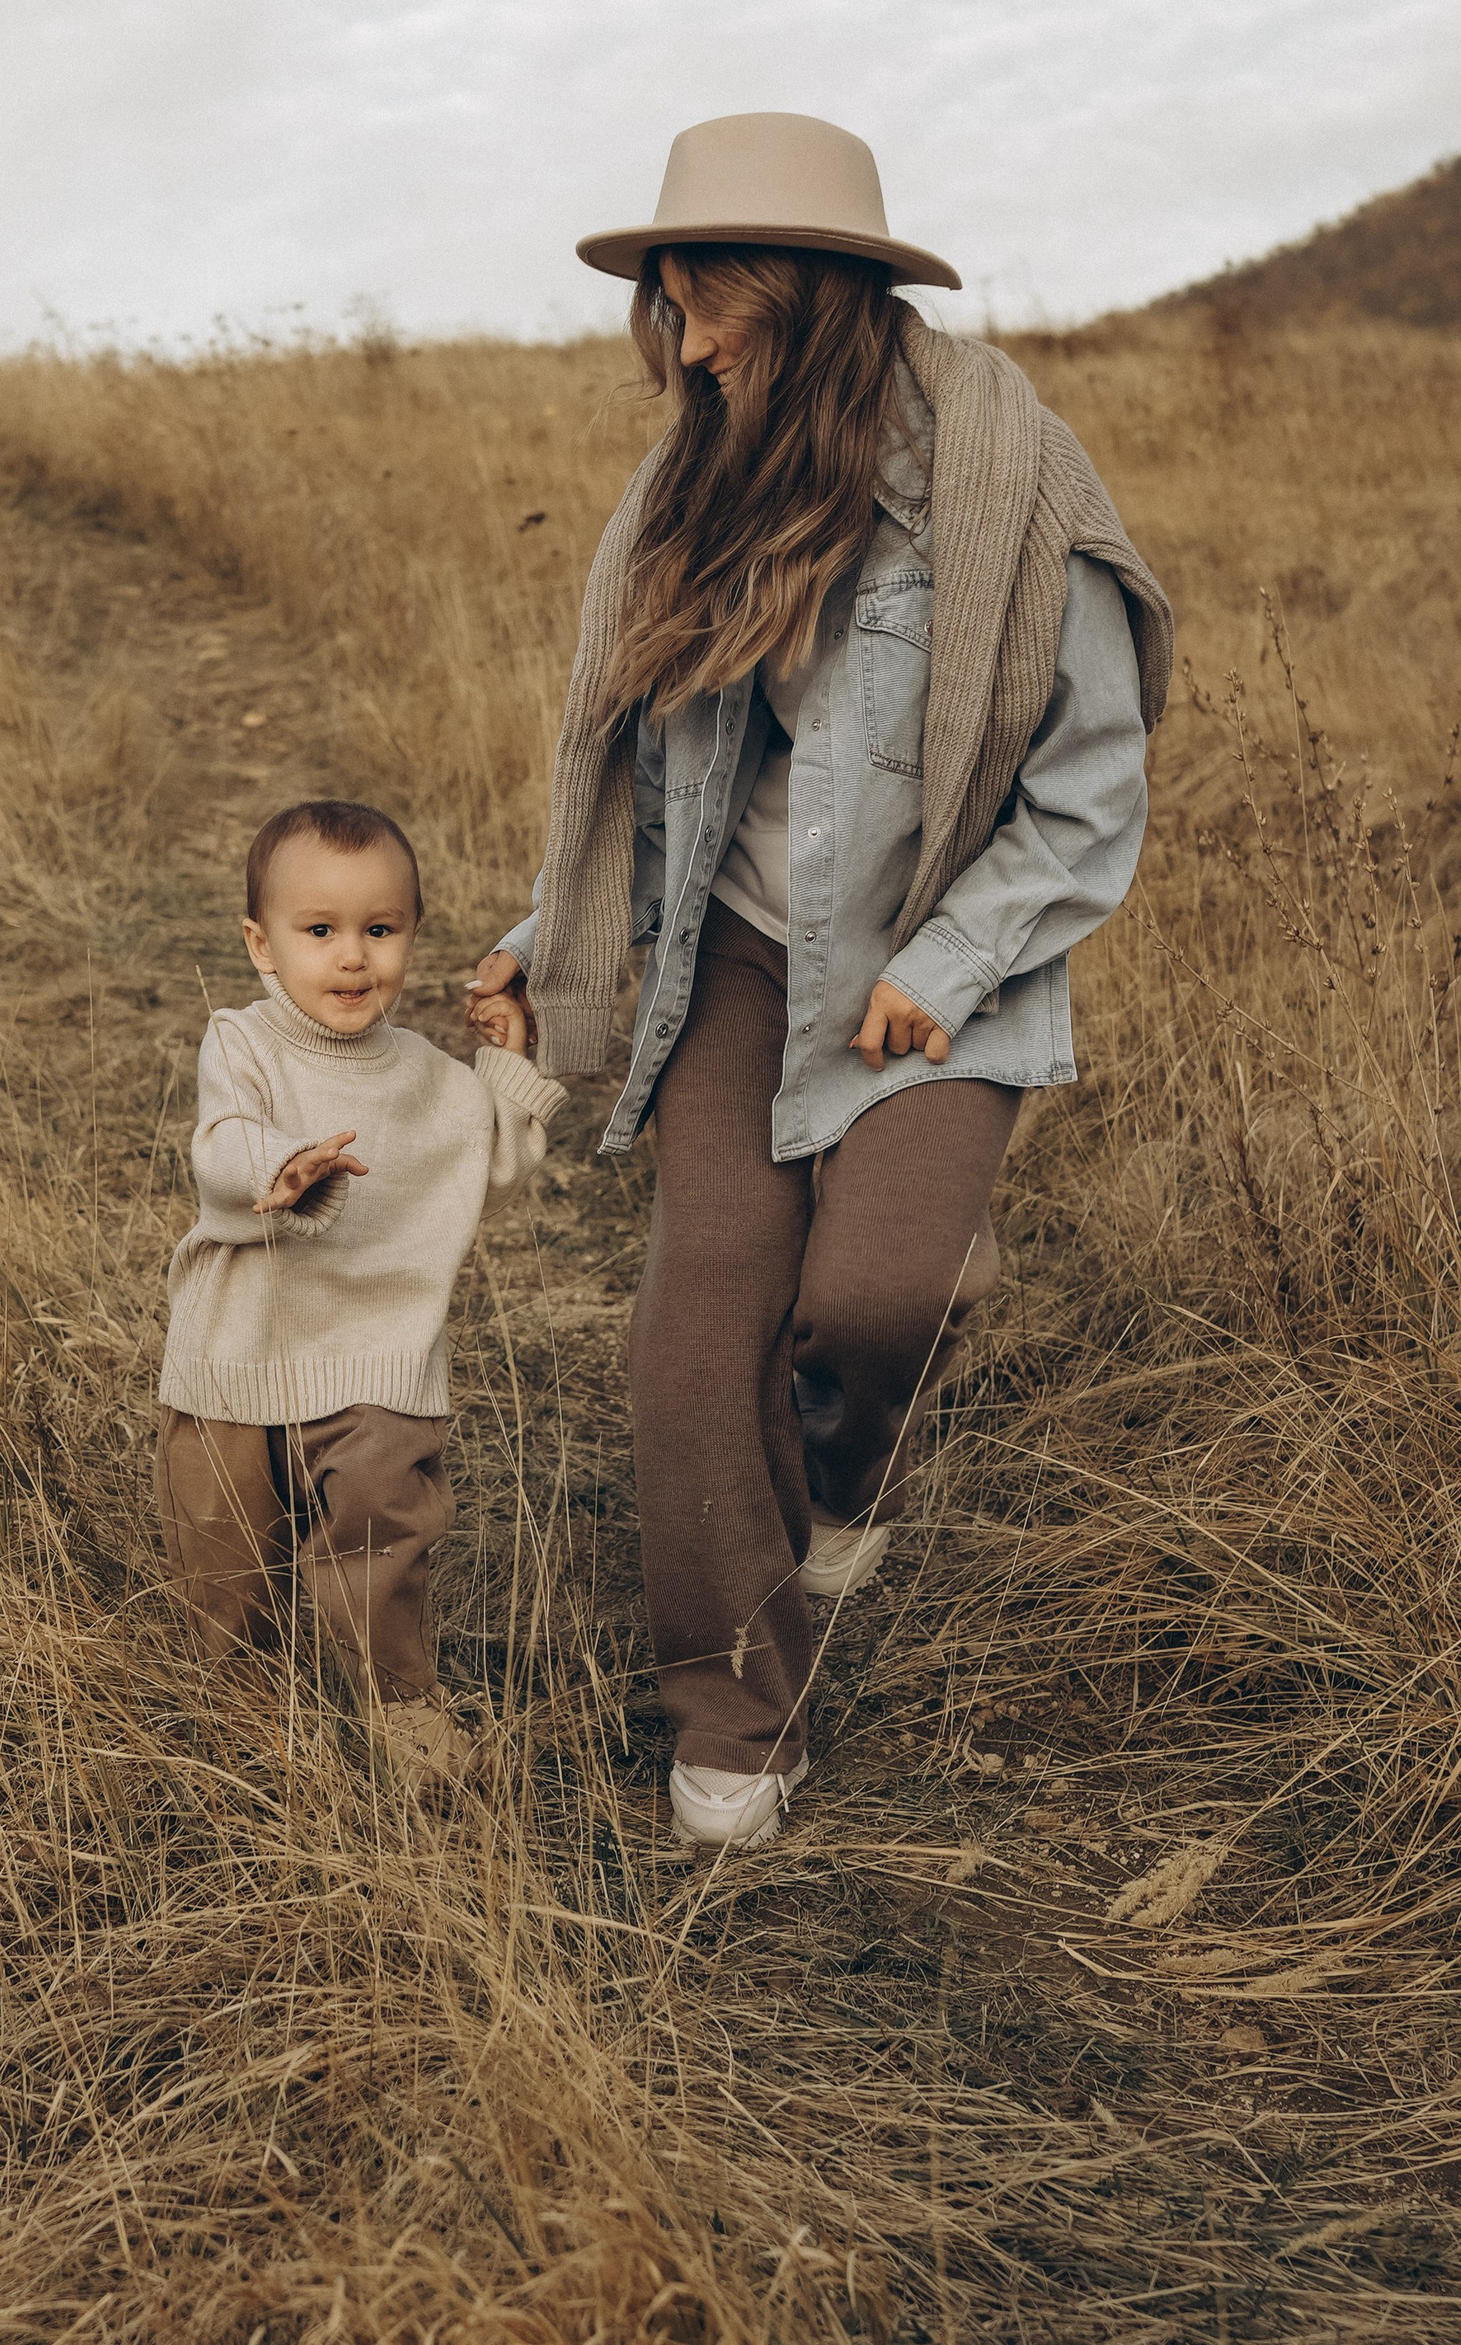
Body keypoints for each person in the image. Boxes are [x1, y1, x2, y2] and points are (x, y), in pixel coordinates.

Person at [465, 113, 1170, 1848]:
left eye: (713, 304)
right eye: (675, 307)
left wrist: (947, 960)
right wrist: (537, 936)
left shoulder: (1008, 467)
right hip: (741, 953)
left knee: (865, 1310)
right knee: (700, 1322)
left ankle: (849, 1474)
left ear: (810, 290)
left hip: (951, 961)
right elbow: (641, 777)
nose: (687, 344)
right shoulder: (688, 483)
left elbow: (1094, 780)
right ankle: (734, 1712)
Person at [157, 797, 568, 1783]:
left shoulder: (428, 1076)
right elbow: (219, 1145)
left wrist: (506, 1057)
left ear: (409, 936)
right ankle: (238, 1714)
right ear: (262, 945)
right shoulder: (243, 1042)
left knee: (381, 1535)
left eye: (378, 931)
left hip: (377, 1356)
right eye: (320, 930)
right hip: (234, 1351)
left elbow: (497, 1154)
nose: (352, 957)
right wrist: (284, 1163)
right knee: (222, 1556)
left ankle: (400, 1708)